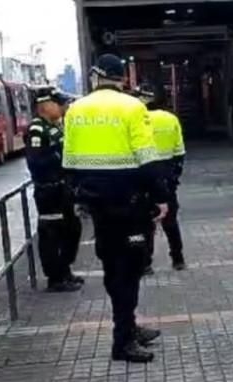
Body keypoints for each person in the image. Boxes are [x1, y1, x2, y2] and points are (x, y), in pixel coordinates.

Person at [63, 53, 168, 363]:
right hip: (130, 202)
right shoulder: (132, 107)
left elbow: (68, 161)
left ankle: (128, 327)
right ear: (122, 79)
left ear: (96, 77)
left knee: (112, 266)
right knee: (131, 268)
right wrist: (161, 196)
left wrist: (78, 198)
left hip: (97, 205)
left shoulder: (75, 110)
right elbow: (147, 157)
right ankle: (122, 341)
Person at [25, 86, 83, 292]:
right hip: (49, 191)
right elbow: (37, 161)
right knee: (52, 234)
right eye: (58, 103)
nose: (62, 107)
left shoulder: (56, 127)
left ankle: (65, 270)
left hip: (63, 189)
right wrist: (61, 162)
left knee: (71, 229)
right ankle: (55, 278)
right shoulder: (37, 129)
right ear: (45, 105)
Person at [136, 86, 187, 274]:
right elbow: (180, 152)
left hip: (144, 174)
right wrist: (174, 176)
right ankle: (178, 258)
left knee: (145, 222)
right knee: (170, 220)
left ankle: (146, 263)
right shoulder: (171, 119)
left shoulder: (138, 120)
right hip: (167, 174)